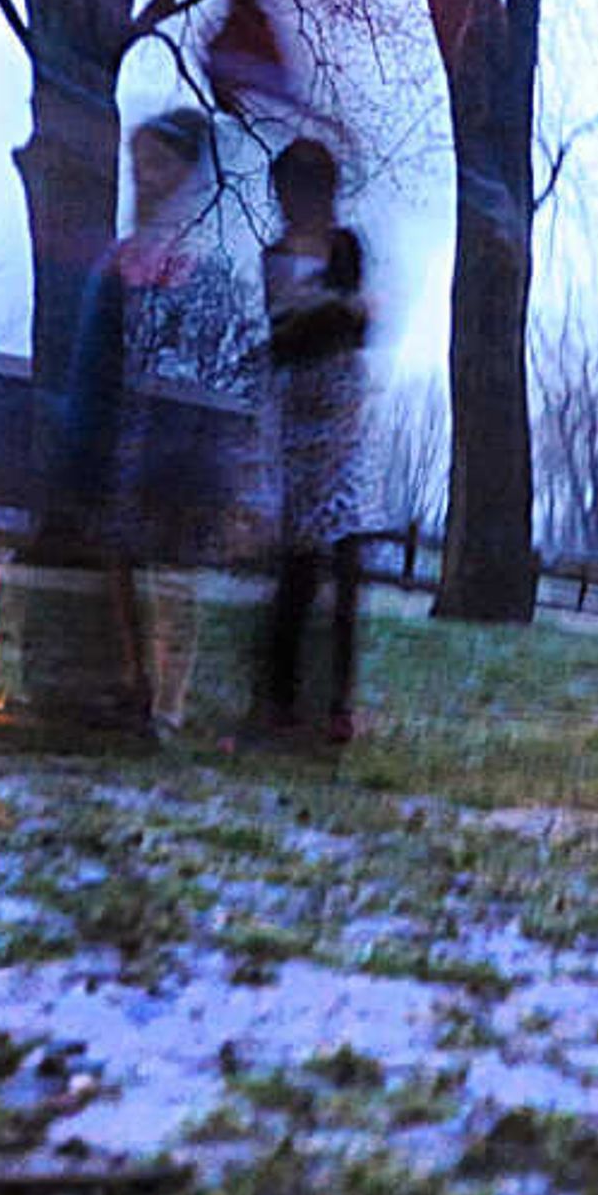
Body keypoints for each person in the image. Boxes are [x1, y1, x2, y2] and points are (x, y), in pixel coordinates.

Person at [42, 107, 256, 737]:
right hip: (125, 458)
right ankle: (129, 686)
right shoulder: (120, 266)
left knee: (175, 583)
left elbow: (236, 368)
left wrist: (235, 468)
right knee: (122, 572)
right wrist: (81, 450)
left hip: (187, 462)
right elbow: (94, 367)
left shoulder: (218, 271)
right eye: (139, 167)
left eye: (160, 165)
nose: (146, 179)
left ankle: (169, 702)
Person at [251, 137, 378, 743]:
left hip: (342, 417)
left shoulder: (347, 247)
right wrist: (332, 313)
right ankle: (280, 698)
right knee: (298, 566)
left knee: (345, 560)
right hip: (298, 416)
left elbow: (356, 327)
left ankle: (339, 702)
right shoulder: (276, 256)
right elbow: (289, 332)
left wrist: (329, 314)